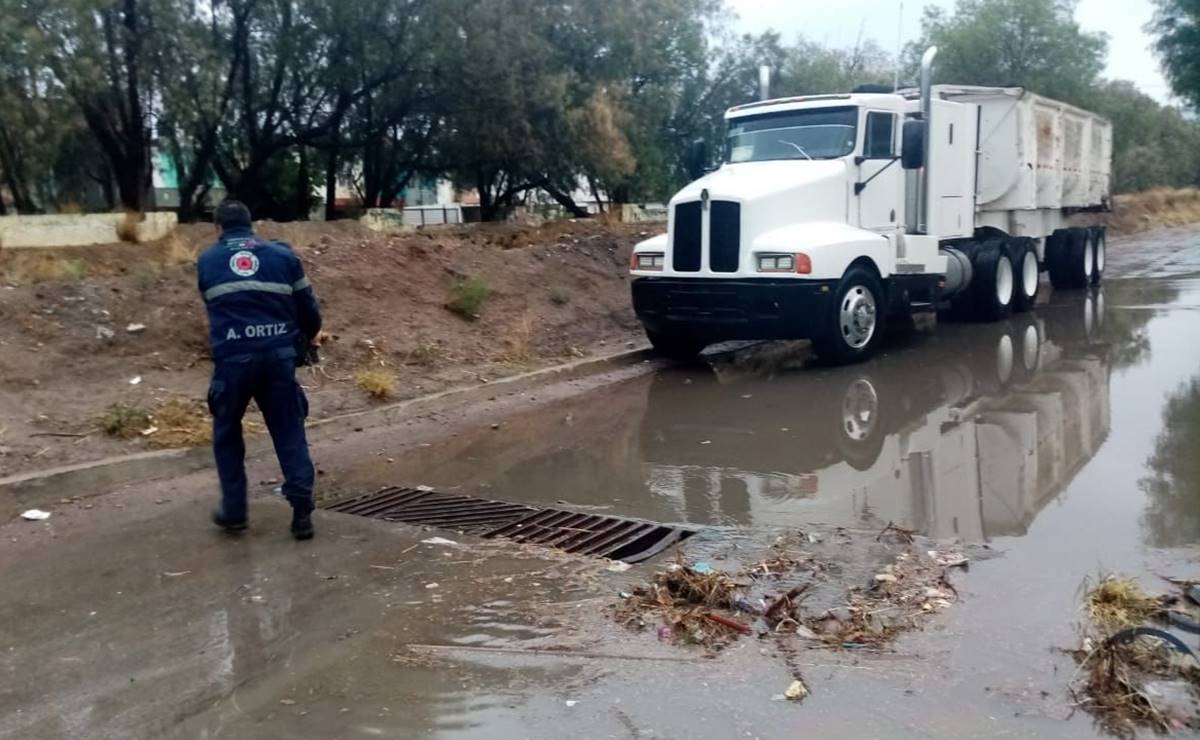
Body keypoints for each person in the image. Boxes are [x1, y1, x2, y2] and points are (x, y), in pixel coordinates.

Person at [197, 199, 323, 540]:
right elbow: (309, 310)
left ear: (218, 227)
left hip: (234, 360)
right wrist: (305, 336)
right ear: (252, 224)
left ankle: (235, 512)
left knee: (227, 433)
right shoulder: (282, 256)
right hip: (278, 357)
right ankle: (302, 514)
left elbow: (213, 305)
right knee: (288, 430)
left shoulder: (207, 260)